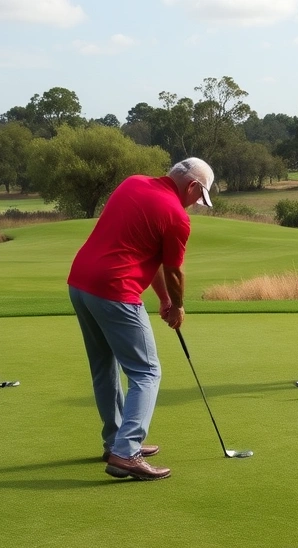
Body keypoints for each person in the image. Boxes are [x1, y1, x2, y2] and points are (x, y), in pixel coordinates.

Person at [67, 158, 214, 481]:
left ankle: (116, 441)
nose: (195, 206)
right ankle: (126, 452)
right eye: (199, 198)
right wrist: (177, 306)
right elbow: (174, 270)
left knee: (104, 367)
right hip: (115, 290)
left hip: (79, 284)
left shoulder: (133, 182)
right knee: (146, 372)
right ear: (192, 186)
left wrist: (162, 299)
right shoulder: (177, 216)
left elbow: (151, 257)